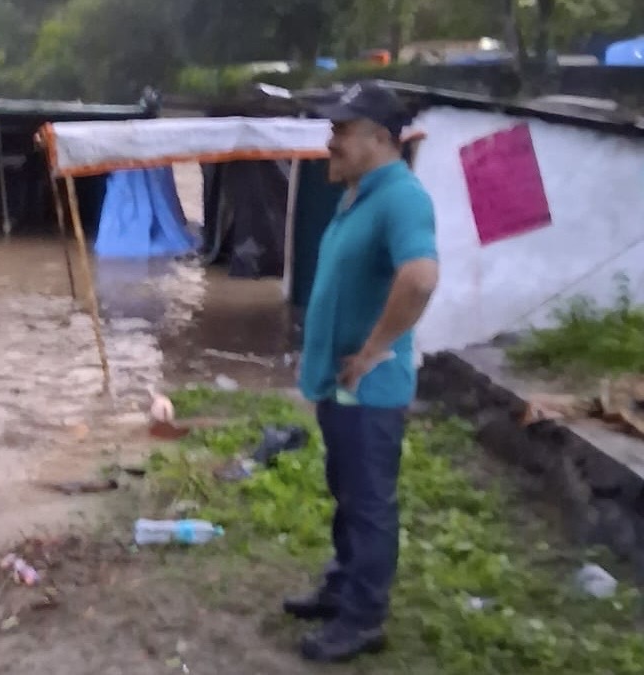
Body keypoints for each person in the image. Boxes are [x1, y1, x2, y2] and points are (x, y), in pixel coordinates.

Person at [286, 81, 439, 663]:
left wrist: (374, 349)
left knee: (369, 503)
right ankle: (342, 587)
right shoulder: (359, 195)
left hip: (369, 390)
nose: (331, 142)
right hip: (343, 386)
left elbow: (419, 278)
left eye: (341, 131)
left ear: (379, 138)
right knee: (348, 493)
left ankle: (363, 618)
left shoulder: (402, 198)